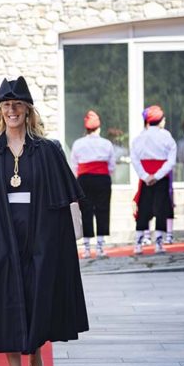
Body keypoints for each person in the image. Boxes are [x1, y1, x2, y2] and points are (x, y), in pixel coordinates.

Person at [0, 77, 88, 366]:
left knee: (36, 298)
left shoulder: (47, 151)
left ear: (28, 110)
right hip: (0, 237)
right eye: (6, 106)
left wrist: (62, 243)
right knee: (5, 304)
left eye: (17, 105)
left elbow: (65, 199)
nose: (12, 111)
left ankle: (34, 351)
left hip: (40, 235)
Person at [131, 105, 177, 255]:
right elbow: (171, 161)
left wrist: (145, 176)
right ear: (160, 121)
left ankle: (138, 244)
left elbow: (134, 159)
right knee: (161, 209)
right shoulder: (166, 136)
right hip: (161, 178)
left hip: (146, 178)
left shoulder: (139, 138)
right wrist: (157, 176)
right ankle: (158, 243)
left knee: (143, 209)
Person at [70, 110, 115, 258]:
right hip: (102, 178)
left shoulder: (78, 143)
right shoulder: (106, 143)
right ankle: (101, 246)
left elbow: (74, 165)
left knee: (86, 211)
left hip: (84, 179)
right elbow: (112, 166)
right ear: (99, 128)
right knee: (103, 209)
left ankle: (87, 248)